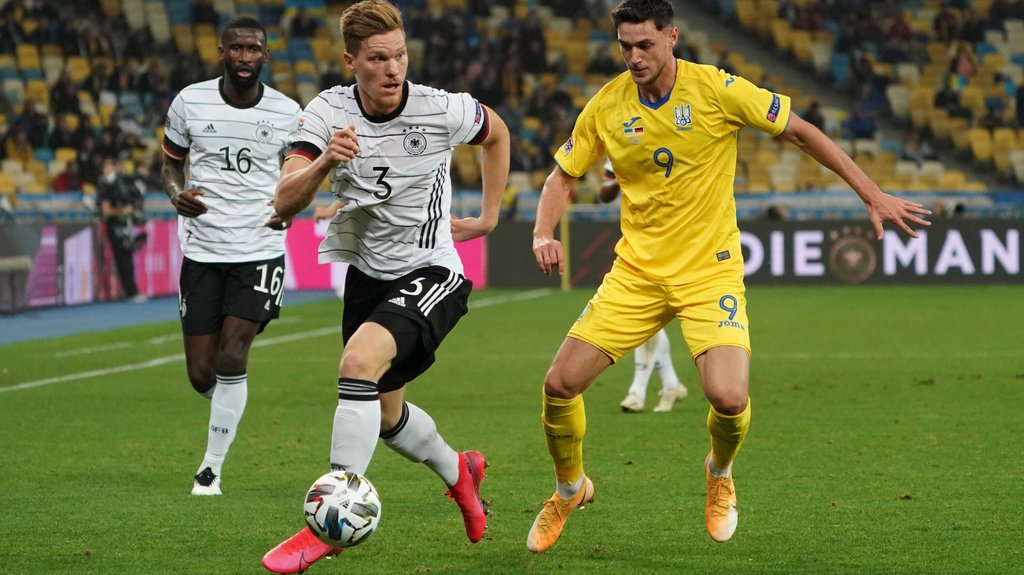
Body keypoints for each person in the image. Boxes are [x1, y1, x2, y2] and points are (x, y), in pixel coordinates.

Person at [527, 0, 931, 554]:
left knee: (729, 396)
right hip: (637, 272)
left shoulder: (717, 90)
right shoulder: (606, 104)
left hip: (708, 272)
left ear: (671, 37)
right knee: (558, 385)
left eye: (645, 44)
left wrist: (872, 193)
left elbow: (802, 132)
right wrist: (543, 233)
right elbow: (562, 175)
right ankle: (570, 488)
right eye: (625, 46)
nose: (635, 57)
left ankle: (719, 472)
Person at [260, 1, 510, 572]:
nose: (393, 68)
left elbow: (498, 135)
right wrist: (325, 162)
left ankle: (327, 523)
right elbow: (284, 200)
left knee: (356, 364)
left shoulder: (439, 108)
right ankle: (460, 472)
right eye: (378, 58)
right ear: (352, 61)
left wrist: (490, 216)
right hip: (369, 277)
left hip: (434, 272)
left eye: (399, 55)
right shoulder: (325, 113)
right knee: (387, 416)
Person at [160, 16, 302, 497]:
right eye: (236, 49)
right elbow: (170, 164)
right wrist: (176, 193)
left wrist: (291, 208)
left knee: (232, 353)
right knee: (202, 373)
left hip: (259, 248)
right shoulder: (190, 102)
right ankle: (231, 402)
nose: (245, 57)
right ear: (221, 50)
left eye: (254, 49)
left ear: (266, 54)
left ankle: (210, 469)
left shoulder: (287, 112)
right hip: (202, 249)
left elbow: (298, 176)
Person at [598, 159, 688, 413]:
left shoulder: (673, 142)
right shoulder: (622, 144)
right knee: (649, 313)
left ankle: (640, 390)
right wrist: (622, 175)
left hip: (675, 235)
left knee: (648, 311)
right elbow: (604, 194)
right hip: (638, 238)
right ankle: (668, 385)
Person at [97, 158, 146, 302]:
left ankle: (132, 290)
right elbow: (105, 211)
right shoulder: (104, 187)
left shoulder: (118, 184)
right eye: (108, 167)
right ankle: (131, 292)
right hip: (114, 228)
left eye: (112, 166)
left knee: (128, 259)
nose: (111, 169)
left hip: (125, 226)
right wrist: (122, 211)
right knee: (122, 260)